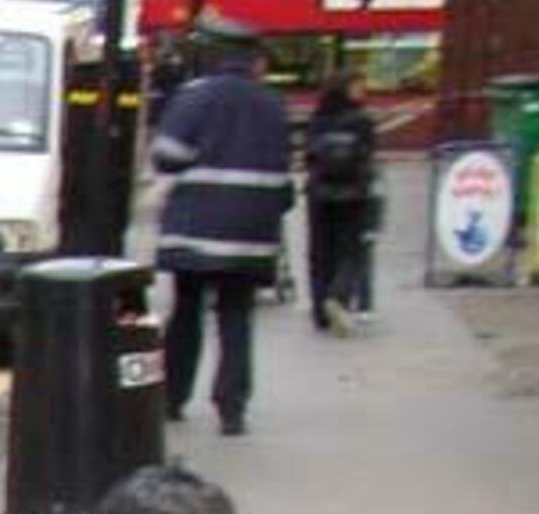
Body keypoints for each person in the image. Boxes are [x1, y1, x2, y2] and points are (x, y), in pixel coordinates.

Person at [151, 15, 292, 435]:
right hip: (251, 234)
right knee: (236, 317)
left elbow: (167, 155)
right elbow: (283, 171)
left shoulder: (195, 96)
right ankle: (232, 409)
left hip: (196, 229)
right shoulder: (271, 103)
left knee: (187, 312)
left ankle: (174, 398)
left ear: (211, 52)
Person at [303, 69, 379, 331]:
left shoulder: (318, 117)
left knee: (320, 253)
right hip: (353, 194)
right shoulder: (362, 120)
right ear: (346, 88)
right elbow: (368, 157)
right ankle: (338, 296)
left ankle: (319, 312)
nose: (363, 91)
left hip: (319, 195)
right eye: (359, 87)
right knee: (350, 251)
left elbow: (309, 156)